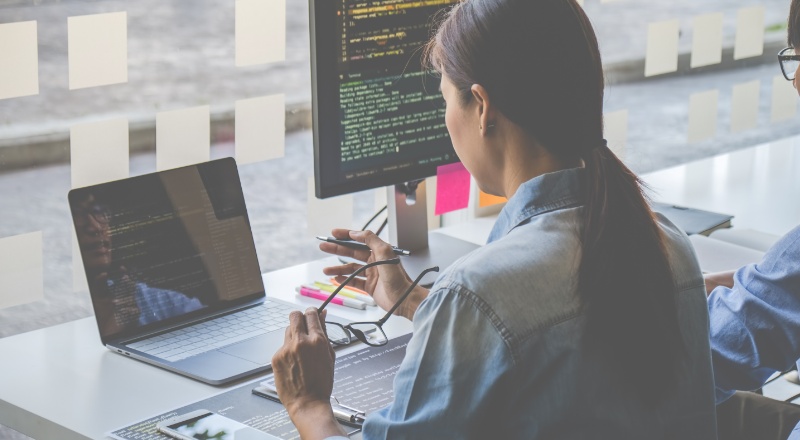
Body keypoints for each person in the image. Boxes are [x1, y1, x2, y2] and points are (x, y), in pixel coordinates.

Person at [270, 0, 718, 438]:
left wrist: (308, 406)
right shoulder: (668, 246)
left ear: (481, 107)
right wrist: (415, 302)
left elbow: (501, 306)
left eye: (445, 97)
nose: (446, 119)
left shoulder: (475, 293)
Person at [73, 193, 204, 335]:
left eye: (98, 211)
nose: (96, 227)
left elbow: (205, 320)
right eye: (78, 215)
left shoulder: (146, 299)